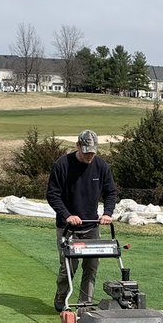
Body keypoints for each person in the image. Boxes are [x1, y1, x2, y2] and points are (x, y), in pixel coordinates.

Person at [46, 129, 118, 312]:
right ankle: (62, 297)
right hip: (68, 226)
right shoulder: (62, 165)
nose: (89, 156)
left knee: (91, 266)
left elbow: (110, 193)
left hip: (91, 224)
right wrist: (67, 215)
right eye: (86, 151)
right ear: (77, 146)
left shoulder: (101, 167)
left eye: (92, 152)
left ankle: (85, 304)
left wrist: (107, 213)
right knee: (69, 266)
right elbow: (52, 194)